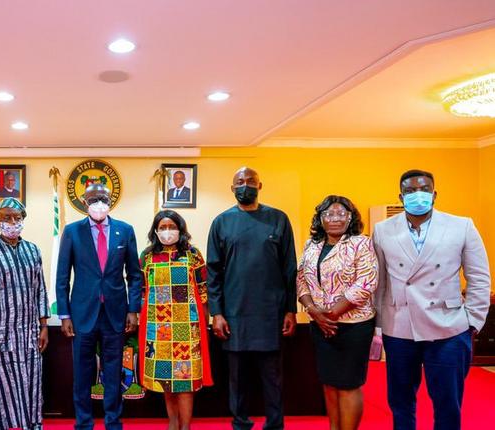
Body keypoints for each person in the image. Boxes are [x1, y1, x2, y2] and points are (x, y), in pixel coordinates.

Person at [373, 169, 490, 430]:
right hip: (399, 326)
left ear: (434, 194)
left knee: (448, 402)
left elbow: (479, 277)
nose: (418, 195)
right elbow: (379, 281)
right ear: (401, 196)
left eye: (424, 189)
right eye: (411, 191)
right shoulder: (382, 230)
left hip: (448, 327)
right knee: (400, 401)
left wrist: (472, 321)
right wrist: (379, 323)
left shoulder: (462, 226)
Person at [206, 166, 297, 430]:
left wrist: (290, 309)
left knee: (273, 378)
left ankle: (275, 424)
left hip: (272, 314)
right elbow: (213, 271)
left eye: (250, 181)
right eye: (239, 182)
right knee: (238, 378)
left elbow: (289, 268)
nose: (245, 185)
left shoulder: (278, 219)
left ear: (260, 185)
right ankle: (240, 423)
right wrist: (217, 312)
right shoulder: (221, 222)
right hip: (234, 314)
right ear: (232, 188)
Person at [55, 183, 143, 430]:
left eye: (103, 198)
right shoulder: (72, 232)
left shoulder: (125, 231)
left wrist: (132, 309)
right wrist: (64, 314)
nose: (99, 203)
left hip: (115, 314)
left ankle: (113, 422)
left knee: (114, 372)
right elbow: (62, 277)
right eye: (93, 199)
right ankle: (83, 423)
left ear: (111, 200)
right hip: (82, 314)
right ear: (85, 202)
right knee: (82, 373)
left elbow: (134, 275)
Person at [296, 196, 378, 430]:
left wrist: (330, 315)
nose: (335, 218)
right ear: (320, 218)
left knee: (349, 384)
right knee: (329, 382)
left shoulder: (361, 243)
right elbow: (301, 280)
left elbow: (365, 283)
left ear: (351, 217)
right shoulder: (311, 245)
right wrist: (314, 312)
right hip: (319, 324)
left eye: (341, 213)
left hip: (354, 325)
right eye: (328, 214)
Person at [0, 197, 50, 430]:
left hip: (29, 336)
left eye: (17, 218)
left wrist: (44, 326)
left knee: (31, 388)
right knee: (0, 390)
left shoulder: (32, 250)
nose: (12, 222)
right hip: (0, 337)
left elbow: (41, 290)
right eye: (7, 218)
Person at [139, 210, 213, 430]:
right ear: (155, 231)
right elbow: (142, 291)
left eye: (171, 226)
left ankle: (186, 426)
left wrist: (206, 320)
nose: (167, 231)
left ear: (180, 229)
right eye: (162, 227)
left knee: (185, 380)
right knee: (166, 381)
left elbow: (203, 290)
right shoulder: (147, 256)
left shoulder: (192, 254)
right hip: (157, 327)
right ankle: (172, 423)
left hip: (187, 326)